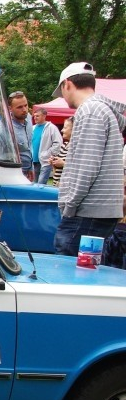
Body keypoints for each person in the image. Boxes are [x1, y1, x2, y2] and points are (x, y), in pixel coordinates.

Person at [50, 62, 126, 256]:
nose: (64, 98)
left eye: (62, 92)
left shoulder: (89, 111)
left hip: (87, 210)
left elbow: (86, 166)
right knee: (86, 270)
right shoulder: (102, 110)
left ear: (67, 84)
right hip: (99, 208)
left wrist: (69, 205)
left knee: (68, 269)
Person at [0, 90, 34, 180]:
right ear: (10, 109)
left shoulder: (28, 117)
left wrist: (31, 167)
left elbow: (29, 146)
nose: (24, 110)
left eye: (26, 105)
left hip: (27, 171)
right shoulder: (5, 127)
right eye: (19, 107)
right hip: (12, 174)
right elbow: (2, 155)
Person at [32, 106, 61, 185]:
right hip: (34, 162)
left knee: (41, 184)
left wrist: (47, 154)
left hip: (45, 162)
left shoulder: (52, 128)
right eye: (34, 116)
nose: (35, 118)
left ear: (44, 116)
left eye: (37, 116)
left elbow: (58, 144)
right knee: (34, 185)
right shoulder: (32, 128)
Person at [50, 117, 73, 188]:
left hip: (68, 187)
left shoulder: (77, 147)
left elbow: (80, 168)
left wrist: (63, 163)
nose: (62, 130)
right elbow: (56, 172)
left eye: (65, 128)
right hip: (57, 186)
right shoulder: (64, 145)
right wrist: (54, 164)